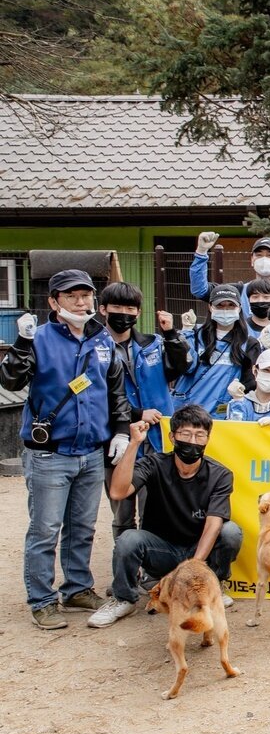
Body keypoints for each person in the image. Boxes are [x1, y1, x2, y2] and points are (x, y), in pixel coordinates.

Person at [1, 269, 134, 629]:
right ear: (53, 302)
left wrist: (120, 431)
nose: (80, 301)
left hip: (91, 451)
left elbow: (115, 391)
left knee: (83, 526)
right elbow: (11, 378)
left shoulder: (102, 340)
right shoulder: (40, 338)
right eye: (71, 295)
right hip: (50, 453)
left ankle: (77, 588)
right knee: (45, 528)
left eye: (86, 295)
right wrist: (21, 344)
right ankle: (42, 599)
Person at [89, 404, 241, 628]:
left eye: (200, 435)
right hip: (162, 550)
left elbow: (213, 524)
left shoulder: (220, 474)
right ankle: (124, 599)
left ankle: (211, 587)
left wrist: (194, 568)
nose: (193, 441)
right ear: (172, 436)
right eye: (186, 434)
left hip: (197, 552)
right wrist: (134, 444)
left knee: (231, 531)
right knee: (129, 539)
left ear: (208, 439)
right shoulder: (154, 464)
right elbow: (118, 491)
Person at [98, 281, 189, 541]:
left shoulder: (152, 344)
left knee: (155, 508)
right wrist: (137, 414)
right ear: (103, 309)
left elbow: (179, 368)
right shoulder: (94, 349)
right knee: (122, 513)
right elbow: (97, 397)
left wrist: (171, 334)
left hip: (157, 437)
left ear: (138, 312)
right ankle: (124, 572)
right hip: (118, 439)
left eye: (130, 308)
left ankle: (151, 572)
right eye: (116, 306)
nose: (123, 313)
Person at [171, 283, 261, 416]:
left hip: (221, 416)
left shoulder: (248, 343)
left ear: (239, 308)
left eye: (231, 305)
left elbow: (250, 383)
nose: (225, 310)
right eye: (220, 305)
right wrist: (185, 333)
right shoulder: (194, 335)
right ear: (210, 307)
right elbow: (184, 367)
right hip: (186, 412)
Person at [190, 232, 270, 315]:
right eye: (259, 255)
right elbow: (200, 290)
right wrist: (201, 252)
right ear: (252, 260)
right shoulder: (238, 291)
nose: (264, 259)